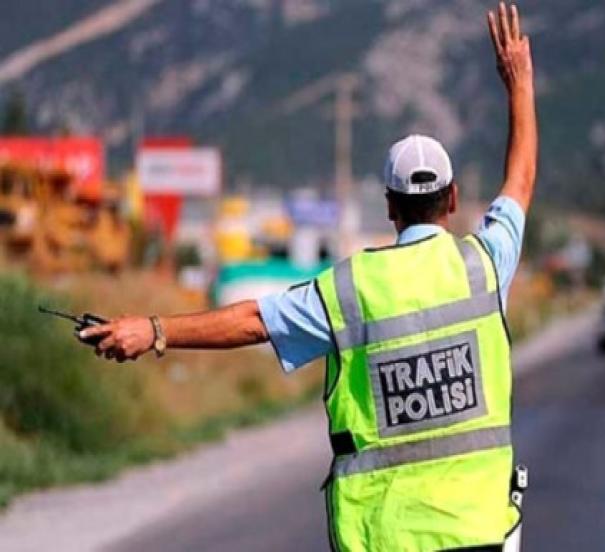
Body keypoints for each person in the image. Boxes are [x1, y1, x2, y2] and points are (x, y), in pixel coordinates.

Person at [84, 3, 536, 550]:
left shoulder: (349, 289)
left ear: (389, 205)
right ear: (454, 198)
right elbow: (520, 182)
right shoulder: (484, 266)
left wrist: (153, 331)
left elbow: (253, 321)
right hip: (477, 533)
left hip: (383, 539)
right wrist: (519, 82)